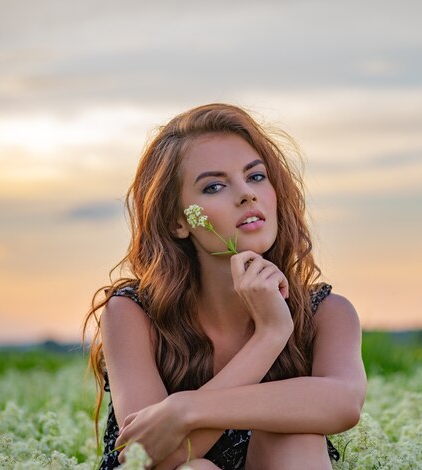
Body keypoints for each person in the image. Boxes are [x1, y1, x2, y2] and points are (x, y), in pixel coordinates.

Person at [83, 103, 366, 469]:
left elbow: (343, 402)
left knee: (294, 438)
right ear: (178, 221)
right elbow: (151, 459)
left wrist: (185, 408)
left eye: (256, 177)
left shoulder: (327, 312)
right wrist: (269, 334)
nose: (246, 194)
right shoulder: (132, 313)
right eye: (214, 186)